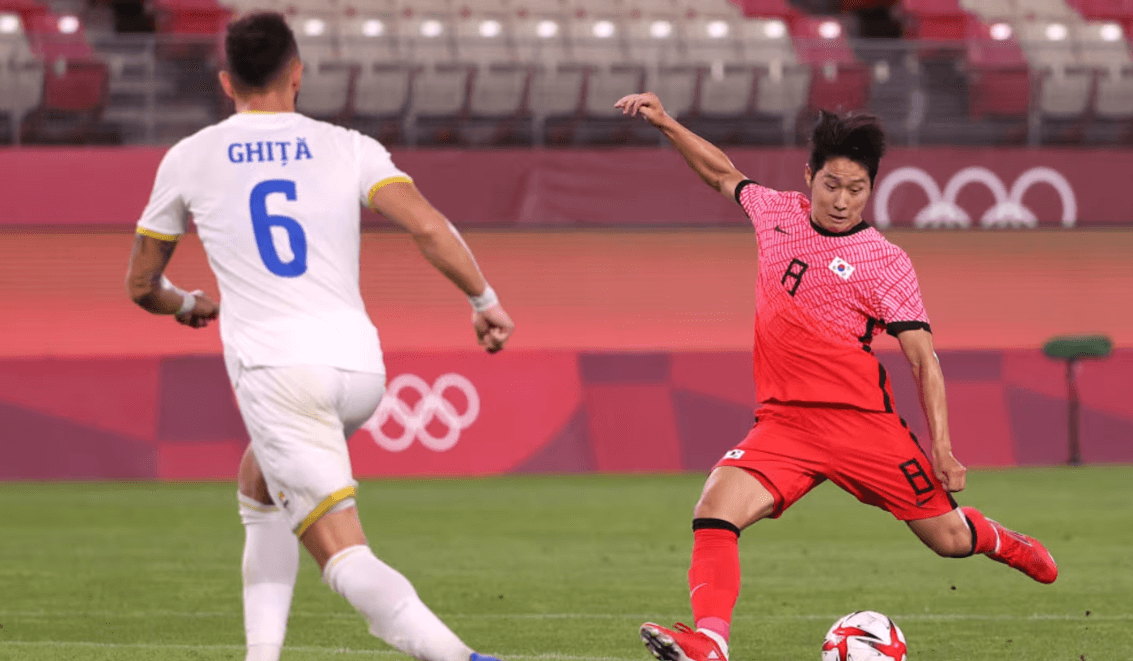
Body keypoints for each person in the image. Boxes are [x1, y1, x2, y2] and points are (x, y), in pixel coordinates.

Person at [125, 13, 515, 661]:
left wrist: (186, 304)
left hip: (281, 371)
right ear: (297, 73)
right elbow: (426, 225)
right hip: (360, 369)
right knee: (260, 483)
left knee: (343, 553)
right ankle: (261, 654)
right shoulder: (348, 146)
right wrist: (484, 299)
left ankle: (461, 657)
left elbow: (142, 284)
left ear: (226, 83)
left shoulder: (189, 156)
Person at [614, 92, 1058, 661]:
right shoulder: (776, 213)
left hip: (864, 428)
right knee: (713, 512)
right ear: (809, 178)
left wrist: (943, 448)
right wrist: (666, 122)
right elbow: (719, 172)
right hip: (785, 426)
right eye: (831, 186)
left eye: (856, 190)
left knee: (948, 540)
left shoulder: (885, 261)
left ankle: (1000, 540)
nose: (842, 201)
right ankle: (711, 643)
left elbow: (924, 358)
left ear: (872, 189)